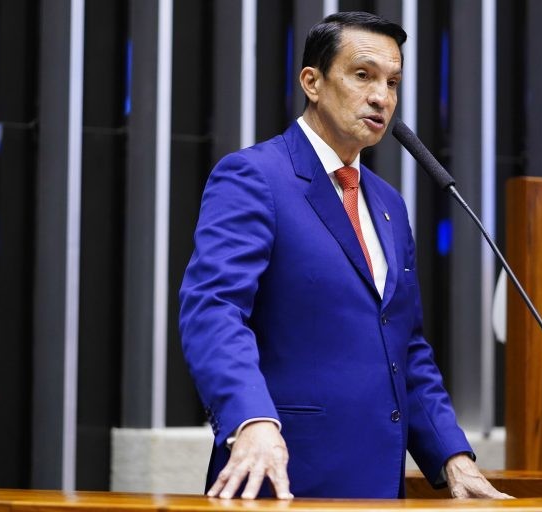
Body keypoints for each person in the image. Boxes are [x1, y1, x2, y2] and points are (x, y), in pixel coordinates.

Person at [179, 11, 510, 501]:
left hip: (380, 490)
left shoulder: (388, 205)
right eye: (363, 76)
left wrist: (451, 457)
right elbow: (214, 309)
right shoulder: (254, 177)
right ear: (312, 82)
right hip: (284, 478)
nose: (382, 97)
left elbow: (405, 346)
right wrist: (249, 417)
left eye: (393, 82)